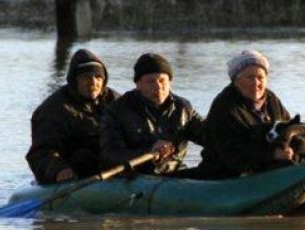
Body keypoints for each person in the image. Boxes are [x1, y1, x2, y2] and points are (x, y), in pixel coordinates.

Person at [190, 50, 304, 179]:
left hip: (263, 168)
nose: (256, 83)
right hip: (225, 174)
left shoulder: (271, 99)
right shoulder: (225, 106)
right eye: (250, 78)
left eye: (260, 78)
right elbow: (231, 153)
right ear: (236, 81)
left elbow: (290, 129)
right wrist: (271, 154)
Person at [101, 52, 204, 175]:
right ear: (138, 84)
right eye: (151, 81)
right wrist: (149, 151)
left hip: (174, 174)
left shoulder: (183, 108)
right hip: (135, 177)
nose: (158, 86)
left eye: (162, 80)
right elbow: (110, 155)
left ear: (170, 82)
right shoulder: (118, 110)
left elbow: (209, 135)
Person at [25, 48, 117, 185]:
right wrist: (58, 170)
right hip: (76, 172)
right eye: (86, 77)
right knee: (83, 156)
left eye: (98, 77)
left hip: (112, 167)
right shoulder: (53, 110)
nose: (93, 82)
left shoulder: (116, 102)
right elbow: (41, 152)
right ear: (75, 80)